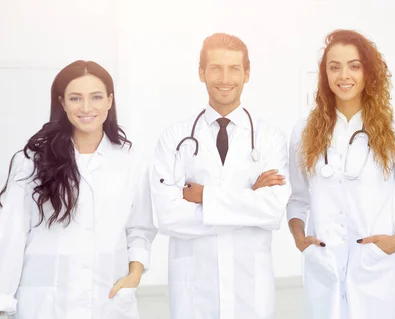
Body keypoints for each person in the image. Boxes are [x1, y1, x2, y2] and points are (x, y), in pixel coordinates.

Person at [287, 29, 395, 319]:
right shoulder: (304, 131)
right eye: (334, 66)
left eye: (354, 65)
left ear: (369, 72)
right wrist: (299, 238)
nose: (344, 75)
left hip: (376, 269)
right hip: (324, 265)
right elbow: (297, 199)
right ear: (324, 75)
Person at [0, 60, 157, 319]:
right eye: (75, 98)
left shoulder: (130, 162)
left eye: (96, 97)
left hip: (107, 301)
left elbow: (139, 228)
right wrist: (3, 301)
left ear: (110, 100)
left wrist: (134, 274)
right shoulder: (31, 161)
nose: (86, 108)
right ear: (62, 103)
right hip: (44, 305)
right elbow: (11, 235)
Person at [150, 33, 291, 319]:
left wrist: (205, 197)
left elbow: (273, 210)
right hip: (194, 288)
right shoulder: (174, 138)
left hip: (249, 288)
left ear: (247, 73)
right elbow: (168, 217)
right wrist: (249, 201)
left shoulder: (270, 138)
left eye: (234, 68)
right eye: (215, 68)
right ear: (201, 72)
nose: (224, 78)